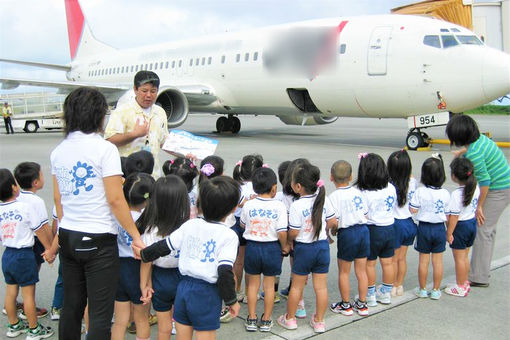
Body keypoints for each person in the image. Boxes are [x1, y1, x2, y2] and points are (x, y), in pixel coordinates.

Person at [49, 87, 144, 339]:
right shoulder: (104, 149)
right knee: (100, 315)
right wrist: (135, 236)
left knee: (71, 307)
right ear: (97, 115)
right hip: (98, 240)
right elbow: (115, 199)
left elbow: (58, 198)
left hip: (69, 236)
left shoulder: (58, 150)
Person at [138, 176, 241, 340]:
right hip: (206, 292)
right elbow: (224, 271)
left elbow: (164, 246)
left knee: (182, 334)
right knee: (205, 335)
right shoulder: (228, 235)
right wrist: (231, 300)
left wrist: (143, 254)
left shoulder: (190, 225)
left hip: (184, 288)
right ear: (234, 208)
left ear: (199, 204)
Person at [446, 115, 510, 287]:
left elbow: (485, 182)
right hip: (503, 184)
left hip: (499, 189)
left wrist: (479, 206)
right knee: (487, 229)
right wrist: (462, 152)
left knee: (482, 229)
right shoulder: (480, 139)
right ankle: (480, 270)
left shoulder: (474, 153)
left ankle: (478, 277)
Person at [277, 162, 336, 334]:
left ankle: (290, 319)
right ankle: (319, 321)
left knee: (296, 286)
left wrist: (288, 241)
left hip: (304, 249)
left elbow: (294, 232)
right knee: (321, 287)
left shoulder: (297, 205)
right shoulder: (323, 199)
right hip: (322, 248)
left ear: (297, 186)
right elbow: (332, 222)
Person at [0, 168, 54, 339]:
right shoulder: (24, 207)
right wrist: (49, 249)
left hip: (7, 255)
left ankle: (14, 325)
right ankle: (34, 329)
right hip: (24, 255)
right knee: (28, 295)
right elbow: (39, 230)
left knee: (10, 292)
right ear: (14, 187)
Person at [240, 167, 288, 332]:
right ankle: (266, 319)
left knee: (252, 286)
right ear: (274, 187)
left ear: (254, 187)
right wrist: (284, 247)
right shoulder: (279, 206)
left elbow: (243, 224)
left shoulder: (248, 205)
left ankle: (252, 318)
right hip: (272, 248)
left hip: (252, 247)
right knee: (268, 287)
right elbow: (282, 232)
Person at [111, 173, 155, 340]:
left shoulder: (116, 215)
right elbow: (147, 256)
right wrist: (147, 282)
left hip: (118, 268)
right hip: (138, 271)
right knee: (141, 319)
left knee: (120, 321)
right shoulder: (148, 219)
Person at [104, 71, 169, 178]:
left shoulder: (160, 112)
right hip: (128, 177)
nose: (148, 95)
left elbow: (164, 142)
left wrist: (184, 152)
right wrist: (135, 134)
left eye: (153, 91)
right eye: (144, 91)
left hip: (153, 176)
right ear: (135, 89)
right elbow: (109, 140)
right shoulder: (122, 111)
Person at [328, 160, 370, 317]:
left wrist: (333, 231)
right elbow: (365, 214)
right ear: (351, 176)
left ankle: (345, 305)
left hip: (347, 234)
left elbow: (334, 220)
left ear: (331, 177)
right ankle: (363, 304)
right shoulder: (358, 192)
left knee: (344, 272)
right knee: (361, 271)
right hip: (363, 231)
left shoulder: (333, 197)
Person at [13, 161, 53, 319]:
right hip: (35, 242)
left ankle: (12, 303)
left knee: (16, 277)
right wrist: (50, 248)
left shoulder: (17, 196)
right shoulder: (37, 202)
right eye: (42, 174)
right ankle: (28, 309)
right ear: (36, 182)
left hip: (18, 241)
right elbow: (43, 228)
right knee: (30, 277)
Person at [356, 153, 397, 307]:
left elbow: (364, 214)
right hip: (389, 227)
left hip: (373, 229)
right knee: (387, 263)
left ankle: (370, 294)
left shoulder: (364, 192)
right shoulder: (391, 187)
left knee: (370, 264)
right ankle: (386, 293)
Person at [410, 154, 450, 300]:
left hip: (424, 228)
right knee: (438, 261)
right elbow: (448, 215)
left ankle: (422, 289)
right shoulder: (445, 193)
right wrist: (450, 232)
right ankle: (436, 289)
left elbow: (413, 210)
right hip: (440, 228)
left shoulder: (420, 191)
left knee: (423, 261)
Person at [445, 158, 480, 297]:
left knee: (459, 258)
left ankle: (460, 286)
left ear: (454, 176)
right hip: (471, 223)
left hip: (460, 226)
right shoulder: (475, 187)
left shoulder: (456, 194)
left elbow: (454, 216)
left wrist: (449, 233)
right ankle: (464, 282)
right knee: (465, 256)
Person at [232, 154, 264, 303]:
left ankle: (236, 290)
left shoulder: (237, 186)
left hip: (237, 223)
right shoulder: (262, 187)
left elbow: (237, 204)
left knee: (239, 260)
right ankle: (249, 293)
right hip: (254, 224)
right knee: (251, 261)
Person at [387, 150, 417, 296]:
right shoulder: (412, 181)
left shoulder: (390, 185)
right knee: (402, 259)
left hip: (396, 224)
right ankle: (399, 285)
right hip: (409, 223)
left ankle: (391, 285)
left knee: (392, 259)